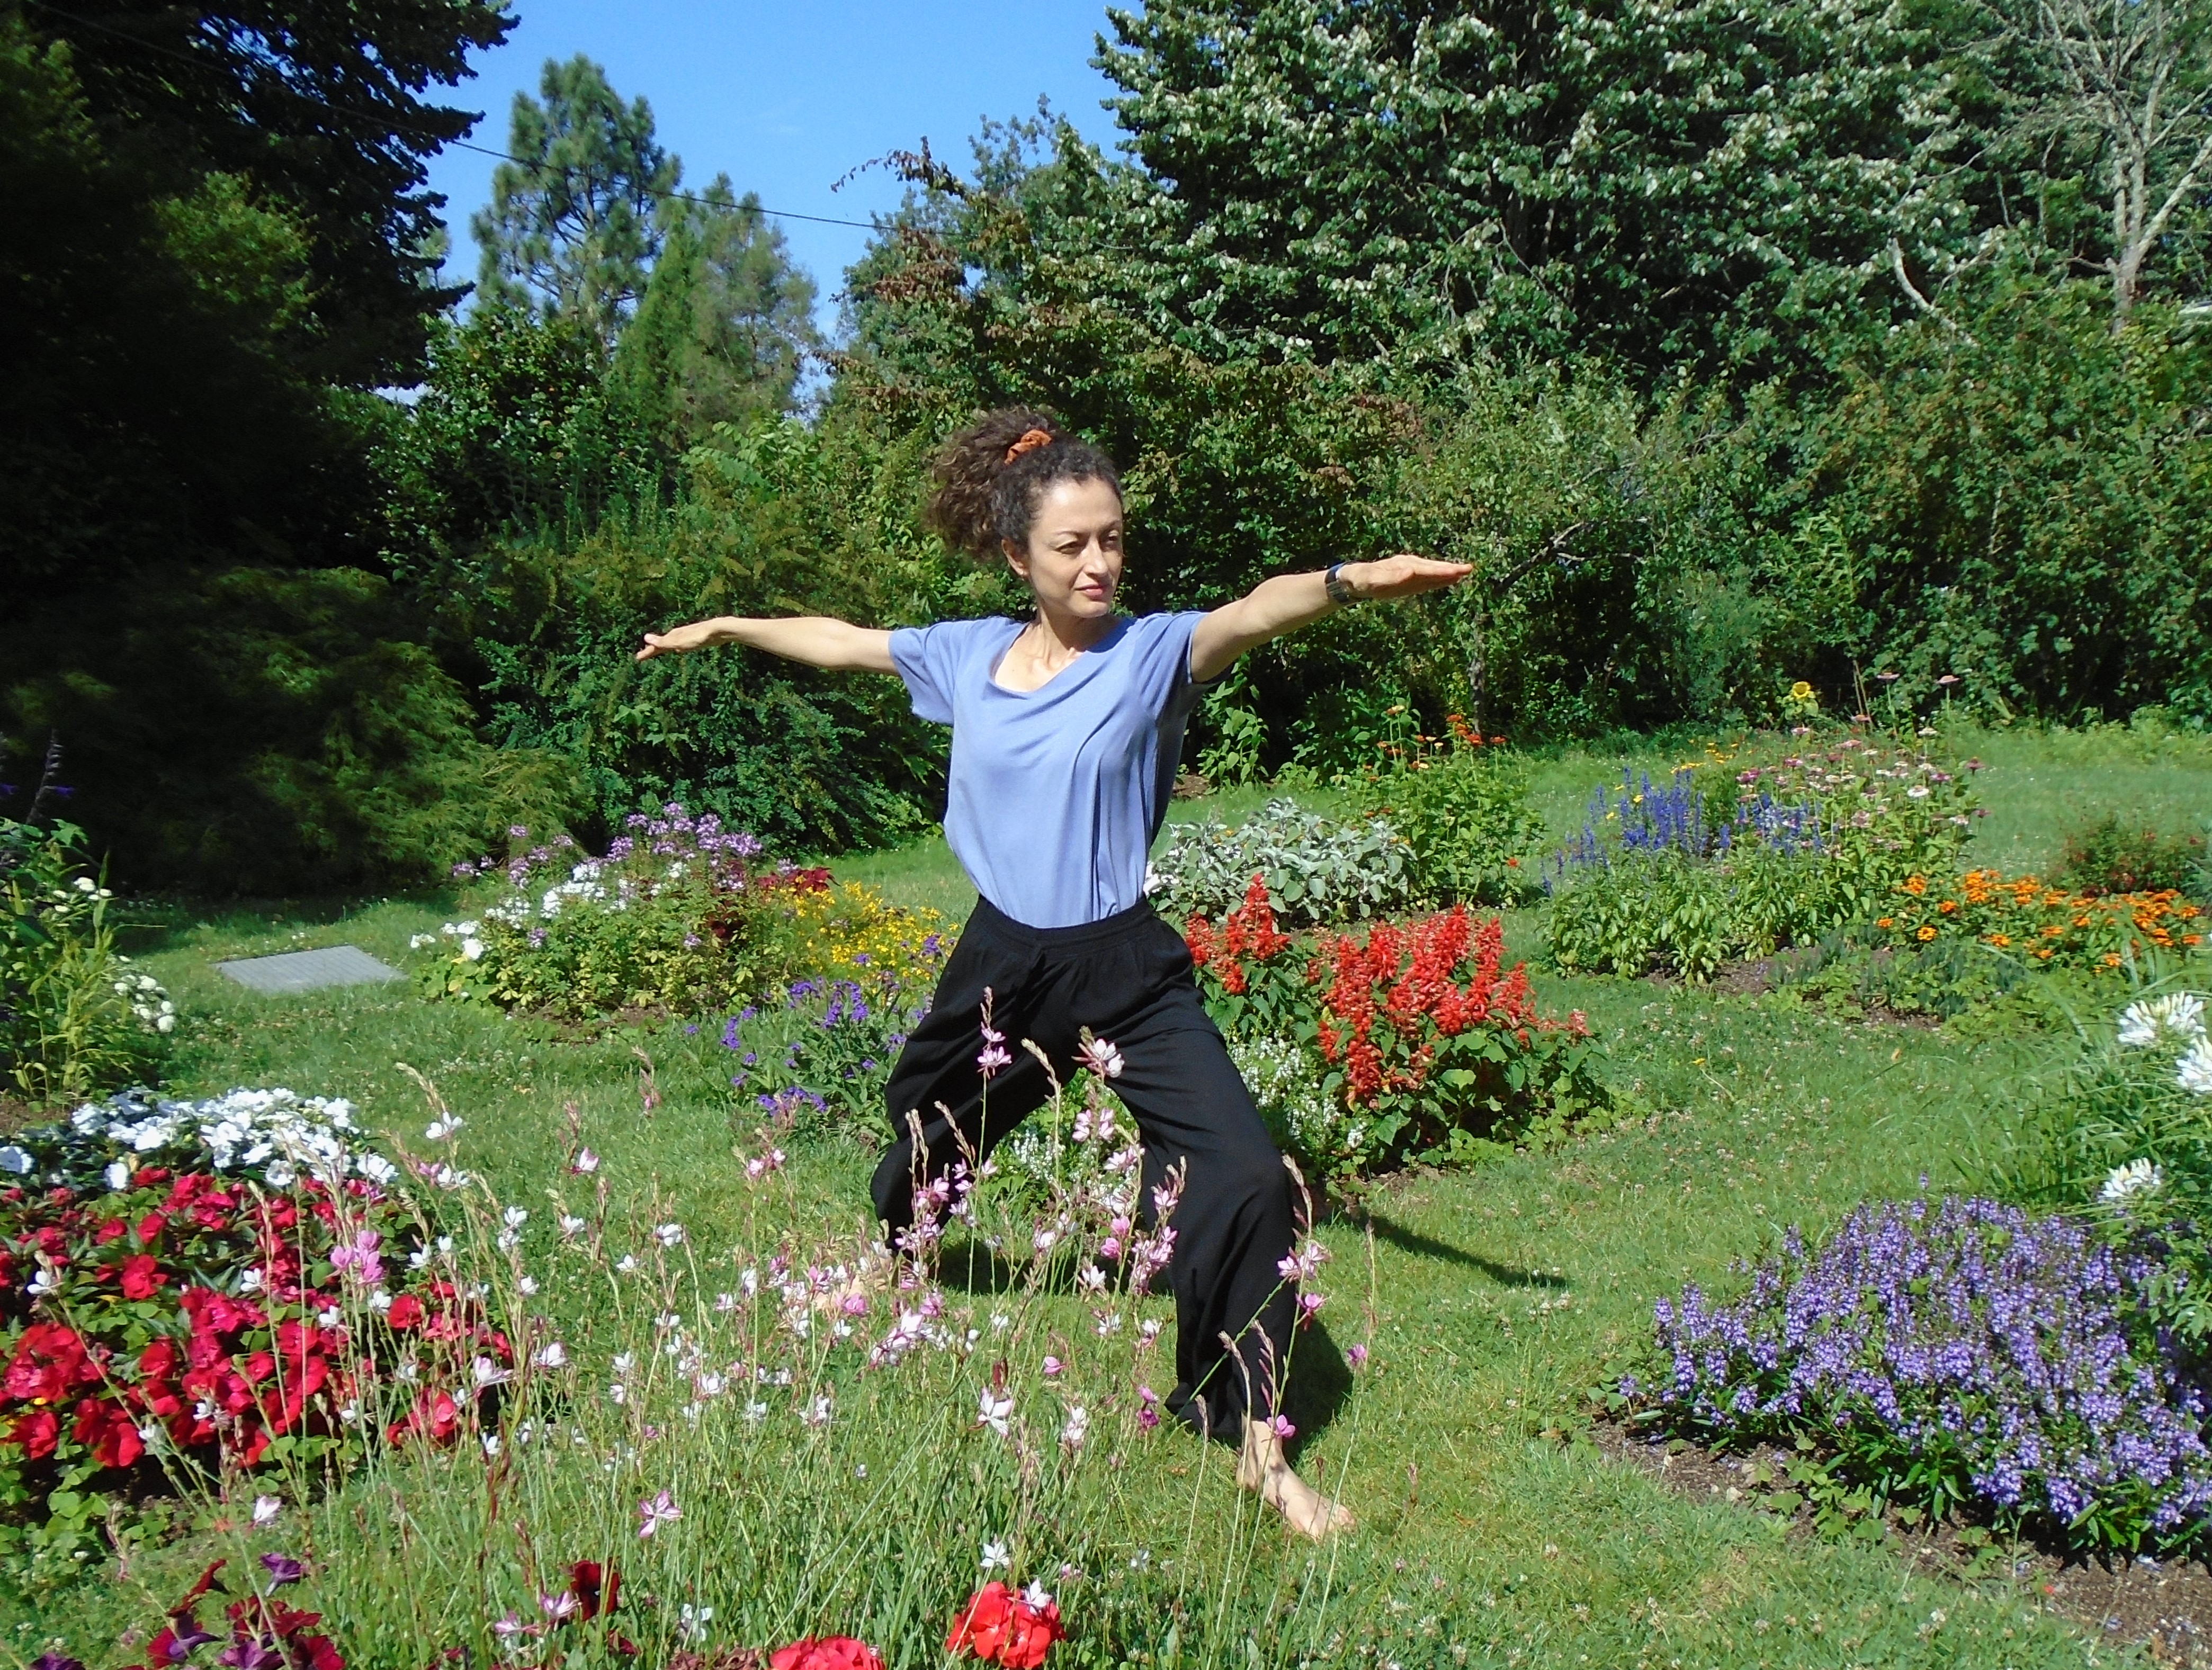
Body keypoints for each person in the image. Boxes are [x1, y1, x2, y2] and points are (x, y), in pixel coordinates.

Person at [638, 408, 1469, 1539]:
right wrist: (729, 624)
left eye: (1113, 540)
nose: (1098, 564)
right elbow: (843, 639)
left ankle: (1253, 1441)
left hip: (1123, 962)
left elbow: (1254, 610)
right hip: (1004, 957)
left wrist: (1350, 580)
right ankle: (903, 1250)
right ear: (1017, 556)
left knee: (1247, 1173)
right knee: (932, 1135)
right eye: (1073, 545)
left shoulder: (1150, 652)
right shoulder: (964, 654)